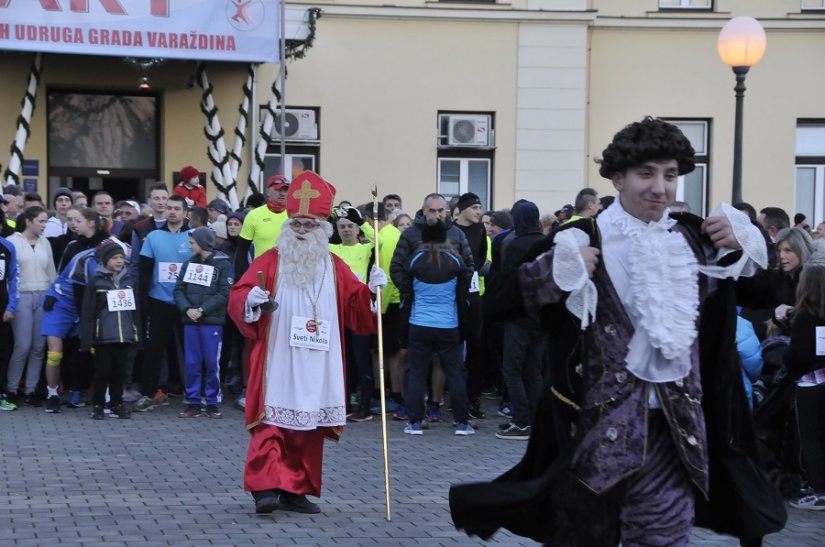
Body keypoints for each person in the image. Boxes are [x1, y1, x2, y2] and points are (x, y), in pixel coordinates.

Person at [450, 117, 786, 545]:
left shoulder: (696, 237)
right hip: (589, 439)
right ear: (616, 179)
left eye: (669, 175)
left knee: (665, 537)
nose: (660, 188)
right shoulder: (580, 237)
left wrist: (751, 239)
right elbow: (498, 302)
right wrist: (553, 272)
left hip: (675, 436)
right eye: (646, 174)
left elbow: (766, 291)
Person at [227, 171, 384, 515]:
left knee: (308, 422)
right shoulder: (271, 260)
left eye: (308, 226)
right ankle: (265, 487)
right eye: (295, 224)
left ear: (323, 231)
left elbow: (357, 308)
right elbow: (238, 294)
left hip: (318, 355)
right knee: (273, 418)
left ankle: (295, 488)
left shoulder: (335, 265)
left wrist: (372, 290)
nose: (300, 231)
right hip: (279, 353)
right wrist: (251, 299)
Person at [395, 210, 474, 435]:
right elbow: (464, 287)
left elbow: (405, 286)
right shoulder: (455, 260)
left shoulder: (415, 260)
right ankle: (461, 423)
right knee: (455, 372)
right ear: (444, 235)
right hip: (449, 325)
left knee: (416, 372)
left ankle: (415, 423)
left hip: (418, 324)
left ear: (425, 235)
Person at [41, 207, 110, 412]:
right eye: (71, 220)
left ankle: (97, 394)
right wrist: (52, 295)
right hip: (63, 303)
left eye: (77, 220)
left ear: (91, 222)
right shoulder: (74, 247)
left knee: (94, 351)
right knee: (55, 353)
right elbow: (64, 276)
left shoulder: (109, 245)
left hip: (88, 302)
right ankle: (52, 394)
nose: (73, 224)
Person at [134, 195, 191, 411]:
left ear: (185, 212)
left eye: (177, 208)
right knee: (153, 349)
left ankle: (196, 393)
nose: (172, 212)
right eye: (169, 208)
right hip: (159, 301)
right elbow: (144, 271)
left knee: (191, 349)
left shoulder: (193, 236)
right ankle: (148, 392)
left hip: (187, 302)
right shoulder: (153, 237)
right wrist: (144, 301)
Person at [495, 200, 546, 440]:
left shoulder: (516, 245)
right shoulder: (546, 242)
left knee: (512, 370)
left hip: (519, 316)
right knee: (533, 370)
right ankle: (535, 419)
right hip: (541, 316)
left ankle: (521, 420)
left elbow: (509, 281)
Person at [173, 227, 233, 419]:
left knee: (211, 362)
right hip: (190, 322)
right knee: (192, 363)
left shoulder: (223, 264)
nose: (189, 246)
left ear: (202, 243)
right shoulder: (189, 263)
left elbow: (225, 292)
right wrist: (187, 309)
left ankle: (212, 402)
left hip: (211, 322)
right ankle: (193, 402)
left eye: (192, 242)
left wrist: (202, 309)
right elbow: (178, 290)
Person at [783, 252, 825, 510]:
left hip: (810, 385)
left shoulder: (803, 316)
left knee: (811, 439)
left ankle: (819, 490)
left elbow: (795, 355)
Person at [80, 239, 139, 420]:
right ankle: (98, 404)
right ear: (105, 260)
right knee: (103, 372)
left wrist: (135, 332)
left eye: (121, 257)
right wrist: (87, 339)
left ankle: (117, 404)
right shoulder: (96, 282)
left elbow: (135, 311)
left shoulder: (129, 280)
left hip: (124, 336)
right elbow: (88, 311)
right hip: (103, 336)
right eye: (114, 258)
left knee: (119, 373)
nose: (119, 261)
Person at [6, 206, 56, 407]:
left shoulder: (45, 243)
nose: (44, 225)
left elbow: (51, 272)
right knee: (22, 345)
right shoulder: (12, 242)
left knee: (38, 346)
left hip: (43, 295)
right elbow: (9, 275)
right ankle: (11, 388)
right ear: (28, 221)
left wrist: (53, 296)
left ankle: (31, 389)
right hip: (22, 296)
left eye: (46, 221)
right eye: (41, 221)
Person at [453, 192, 489, 420]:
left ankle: (472, 398)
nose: (479, 212)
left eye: (480, 207)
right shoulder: (451, 230)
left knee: (476, 346)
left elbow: (480, 259)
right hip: (452, 294)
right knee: (453, 348)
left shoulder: (480, 230)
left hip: (474, 293)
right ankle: (454, 399)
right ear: (463, 209)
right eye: (475, 207)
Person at [236, 175, 290, 275]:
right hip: (262, 273)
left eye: (285, 190)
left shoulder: (294, 214)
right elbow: (242, 250)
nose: (282, 194)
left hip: (288, 274)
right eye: (278, 190)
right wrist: (242, 277)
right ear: (268, 191)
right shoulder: (254, 215)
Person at [0, 226, 20, 410]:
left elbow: (14, 278)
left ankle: (1, 394)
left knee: (3, 351)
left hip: (2, 306)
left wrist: (11, 306)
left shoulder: (7, 247)